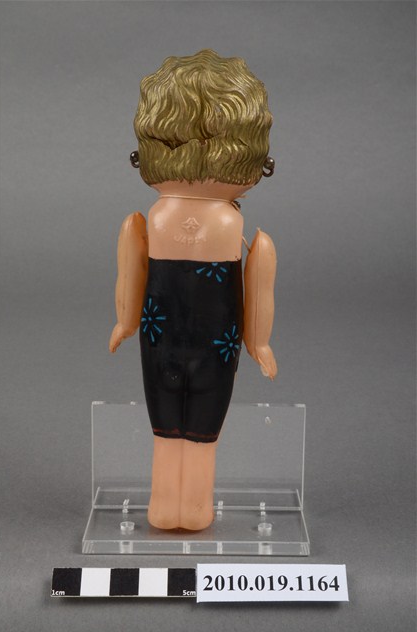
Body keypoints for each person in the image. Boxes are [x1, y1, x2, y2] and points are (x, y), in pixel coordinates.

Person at [109, 49, 277, 531]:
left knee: (173, 422)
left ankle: (172, 505)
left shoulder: (151, 218)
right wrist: (258, 342)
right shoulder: (229, 224)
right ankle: (188, 506)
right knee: (196, 424)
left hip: (162, 337)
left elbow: (130, 274)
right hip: (212, 343)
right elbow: (258, 283)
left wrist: (125, 320)